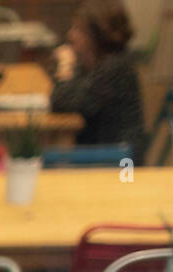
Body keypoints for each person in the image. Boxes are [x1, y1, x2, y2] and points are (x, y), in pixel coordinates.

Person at [50, 0, 146, 159]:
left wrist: (65, 67)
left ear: (95, 36)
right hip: (108, 150)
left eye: (78, 29)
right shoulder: (98, 64)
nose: (71, 35)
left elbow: (61, 102)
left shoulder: (115, 68)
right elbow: (68, 95)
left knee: (43, 158)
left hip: (121, 159)